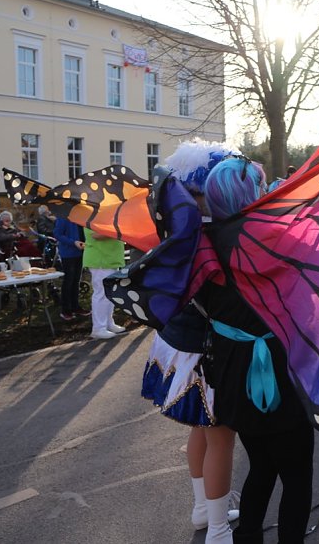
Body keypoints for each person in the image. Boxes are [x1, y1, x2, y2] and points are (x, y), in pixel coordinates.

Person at [201, 157, 314, 544]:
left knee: (261, 466)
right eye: (263, 187)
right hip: (278, 376)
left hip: (232, 377)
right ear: (250, 194)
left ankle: (248, 536)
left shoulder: (203, 244)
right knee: (296, 476)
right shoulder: (274, 241)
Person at [138, 139, 242, 538]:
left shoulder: (175, 228)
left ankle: (204, 509)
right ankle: (217, 528)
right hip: (205, 350)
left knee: (200, 430)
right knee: (221, 438)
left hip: (180, 343)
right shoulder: (210, 235)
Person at [82, 227, 126, 339]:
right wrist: (120, 230)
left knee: (109, 294)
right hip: (101, 260)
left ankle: (108, 323)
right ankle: (99, 328)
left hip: (109, 259)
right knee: (101, 294)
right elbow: (96, 235)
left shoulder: (102, 214)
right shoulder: (92, 214)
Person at [53, 216, 88, 321]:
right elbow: (57, 234)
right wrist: (73, 242)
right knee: (68, 281)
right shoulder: (64, 218)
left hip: (80, 252)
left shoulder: (81, 217)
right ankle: (66, 310)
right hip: (68, 254)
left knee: (76, 280)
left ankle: (75, 306)